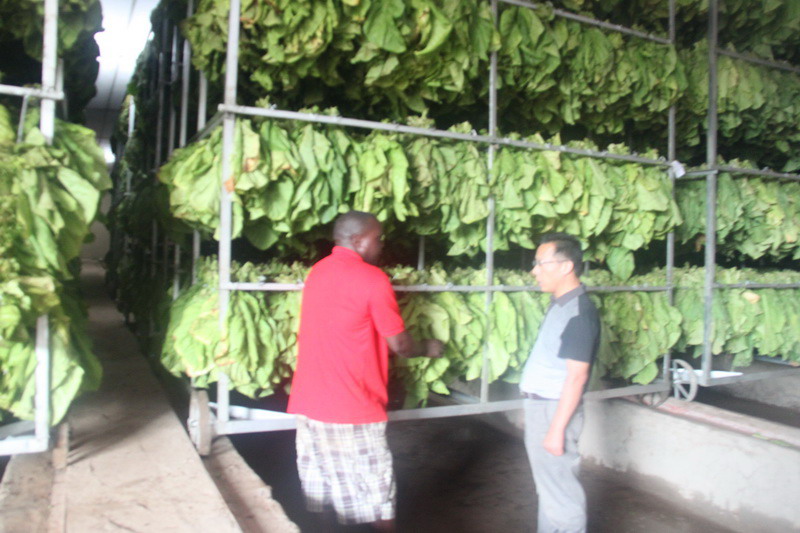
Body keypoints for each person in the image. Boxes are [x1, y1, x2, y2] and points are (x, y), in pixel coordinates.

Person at [287, 210, 444, 532]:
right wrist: (428, 347)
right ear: (358, 240)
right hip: (352, 404)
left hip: (309, 401)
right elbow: (400, 344)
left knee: (321, 482)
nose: (381, 244)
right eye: (377, 238)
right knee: (376, 488)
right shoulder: (372, 279)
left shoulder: (317, 271)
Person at [520, 232, 600, 533]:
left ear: (566, 266)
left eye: (541, 263)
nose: (535, 271)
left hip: (554, 412)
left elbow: (577, 377)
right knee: (550, 490)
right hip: (545, 408)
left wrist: (556, 430)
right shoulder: (561, 305)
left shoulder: (579, 314)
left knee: (561, 497)